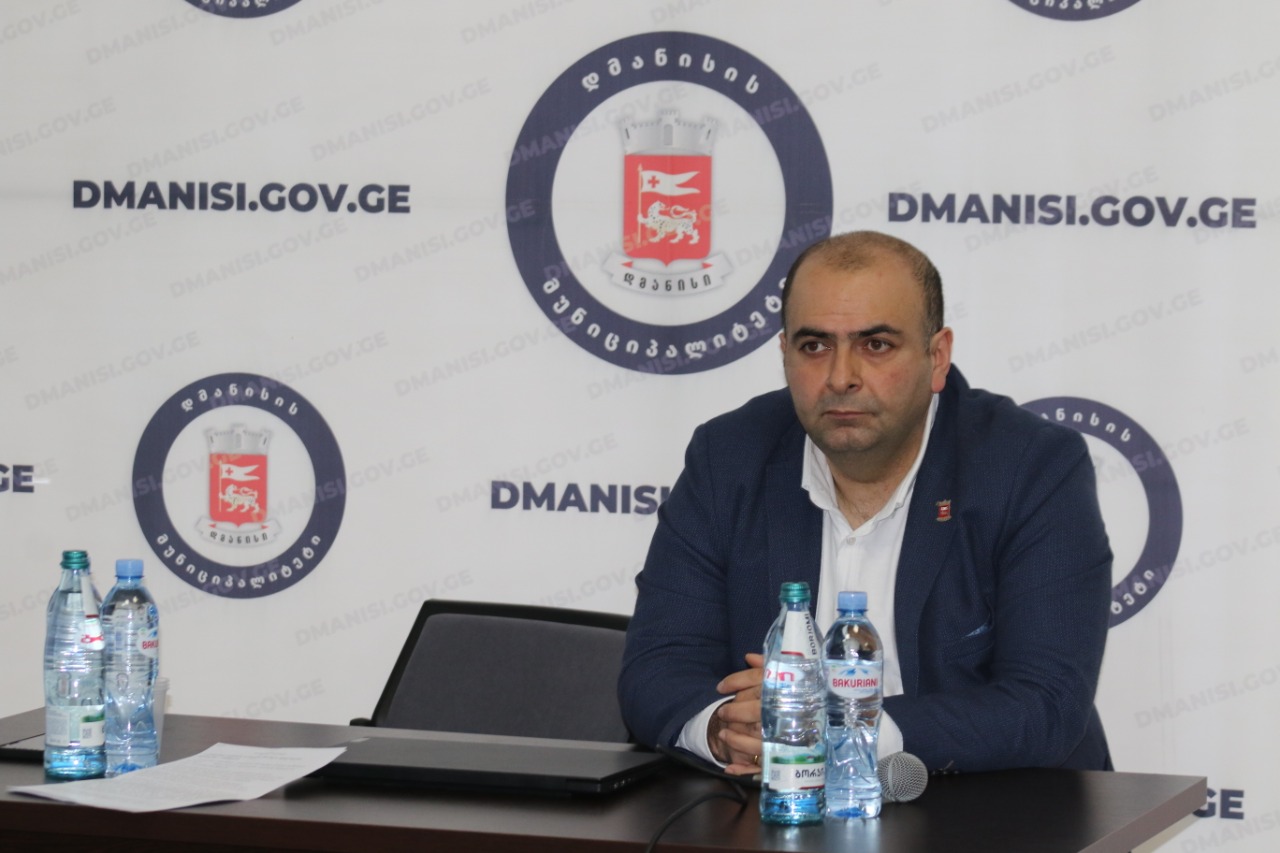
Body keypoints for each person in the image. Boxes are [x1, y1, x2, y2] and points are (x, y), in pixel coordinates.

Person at [618, 230, 1113, 775]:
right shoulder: (729, 457)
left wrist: (839, 725)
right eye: (815, 346)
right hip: (776, 803)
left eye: (875, 345)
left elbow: (1045, 704)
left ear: (937, 357)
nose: (841, 378)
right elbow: (656, 669)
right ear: (784, 355)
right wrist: (724, 729)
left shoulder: (1029, 466)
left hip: (995, 805)